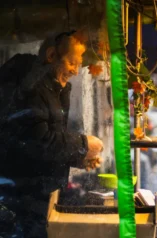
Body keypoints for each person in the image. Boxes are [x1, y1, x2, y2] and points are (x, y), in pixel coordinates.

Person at [0, 31, 103, 237]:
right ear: (51, 56)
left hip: (37, 199)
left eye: (79, 64)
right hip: (19, 202)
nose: (76, 71)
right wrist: (83, 145)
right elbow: (38, 141)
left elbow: (50, 140)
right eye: (72, 63)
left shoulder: (54, 89)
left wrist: (78, 157)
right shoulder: (32, 88)